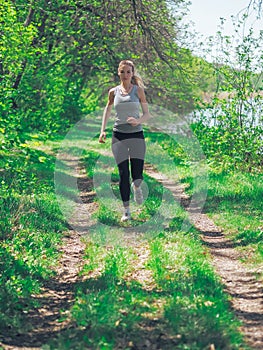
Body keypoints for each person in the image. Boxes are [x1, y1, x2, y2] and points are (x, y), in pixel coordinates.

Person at [99, 60, 150, 222]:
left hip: (136, 136)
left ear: (132, 73)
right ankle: (126, 210)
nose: (126, 75)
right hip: (118, 135)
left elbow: (147, 114)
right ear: (118, 73)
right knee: (123, 173)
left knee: (136, 173)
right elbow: (107, 109)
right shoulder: (113, 92)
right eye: (123, 72)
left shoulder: (138, 91)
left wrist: (138, 121)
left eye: (129, 72)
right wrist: (102, 130)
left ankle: (137, 187)